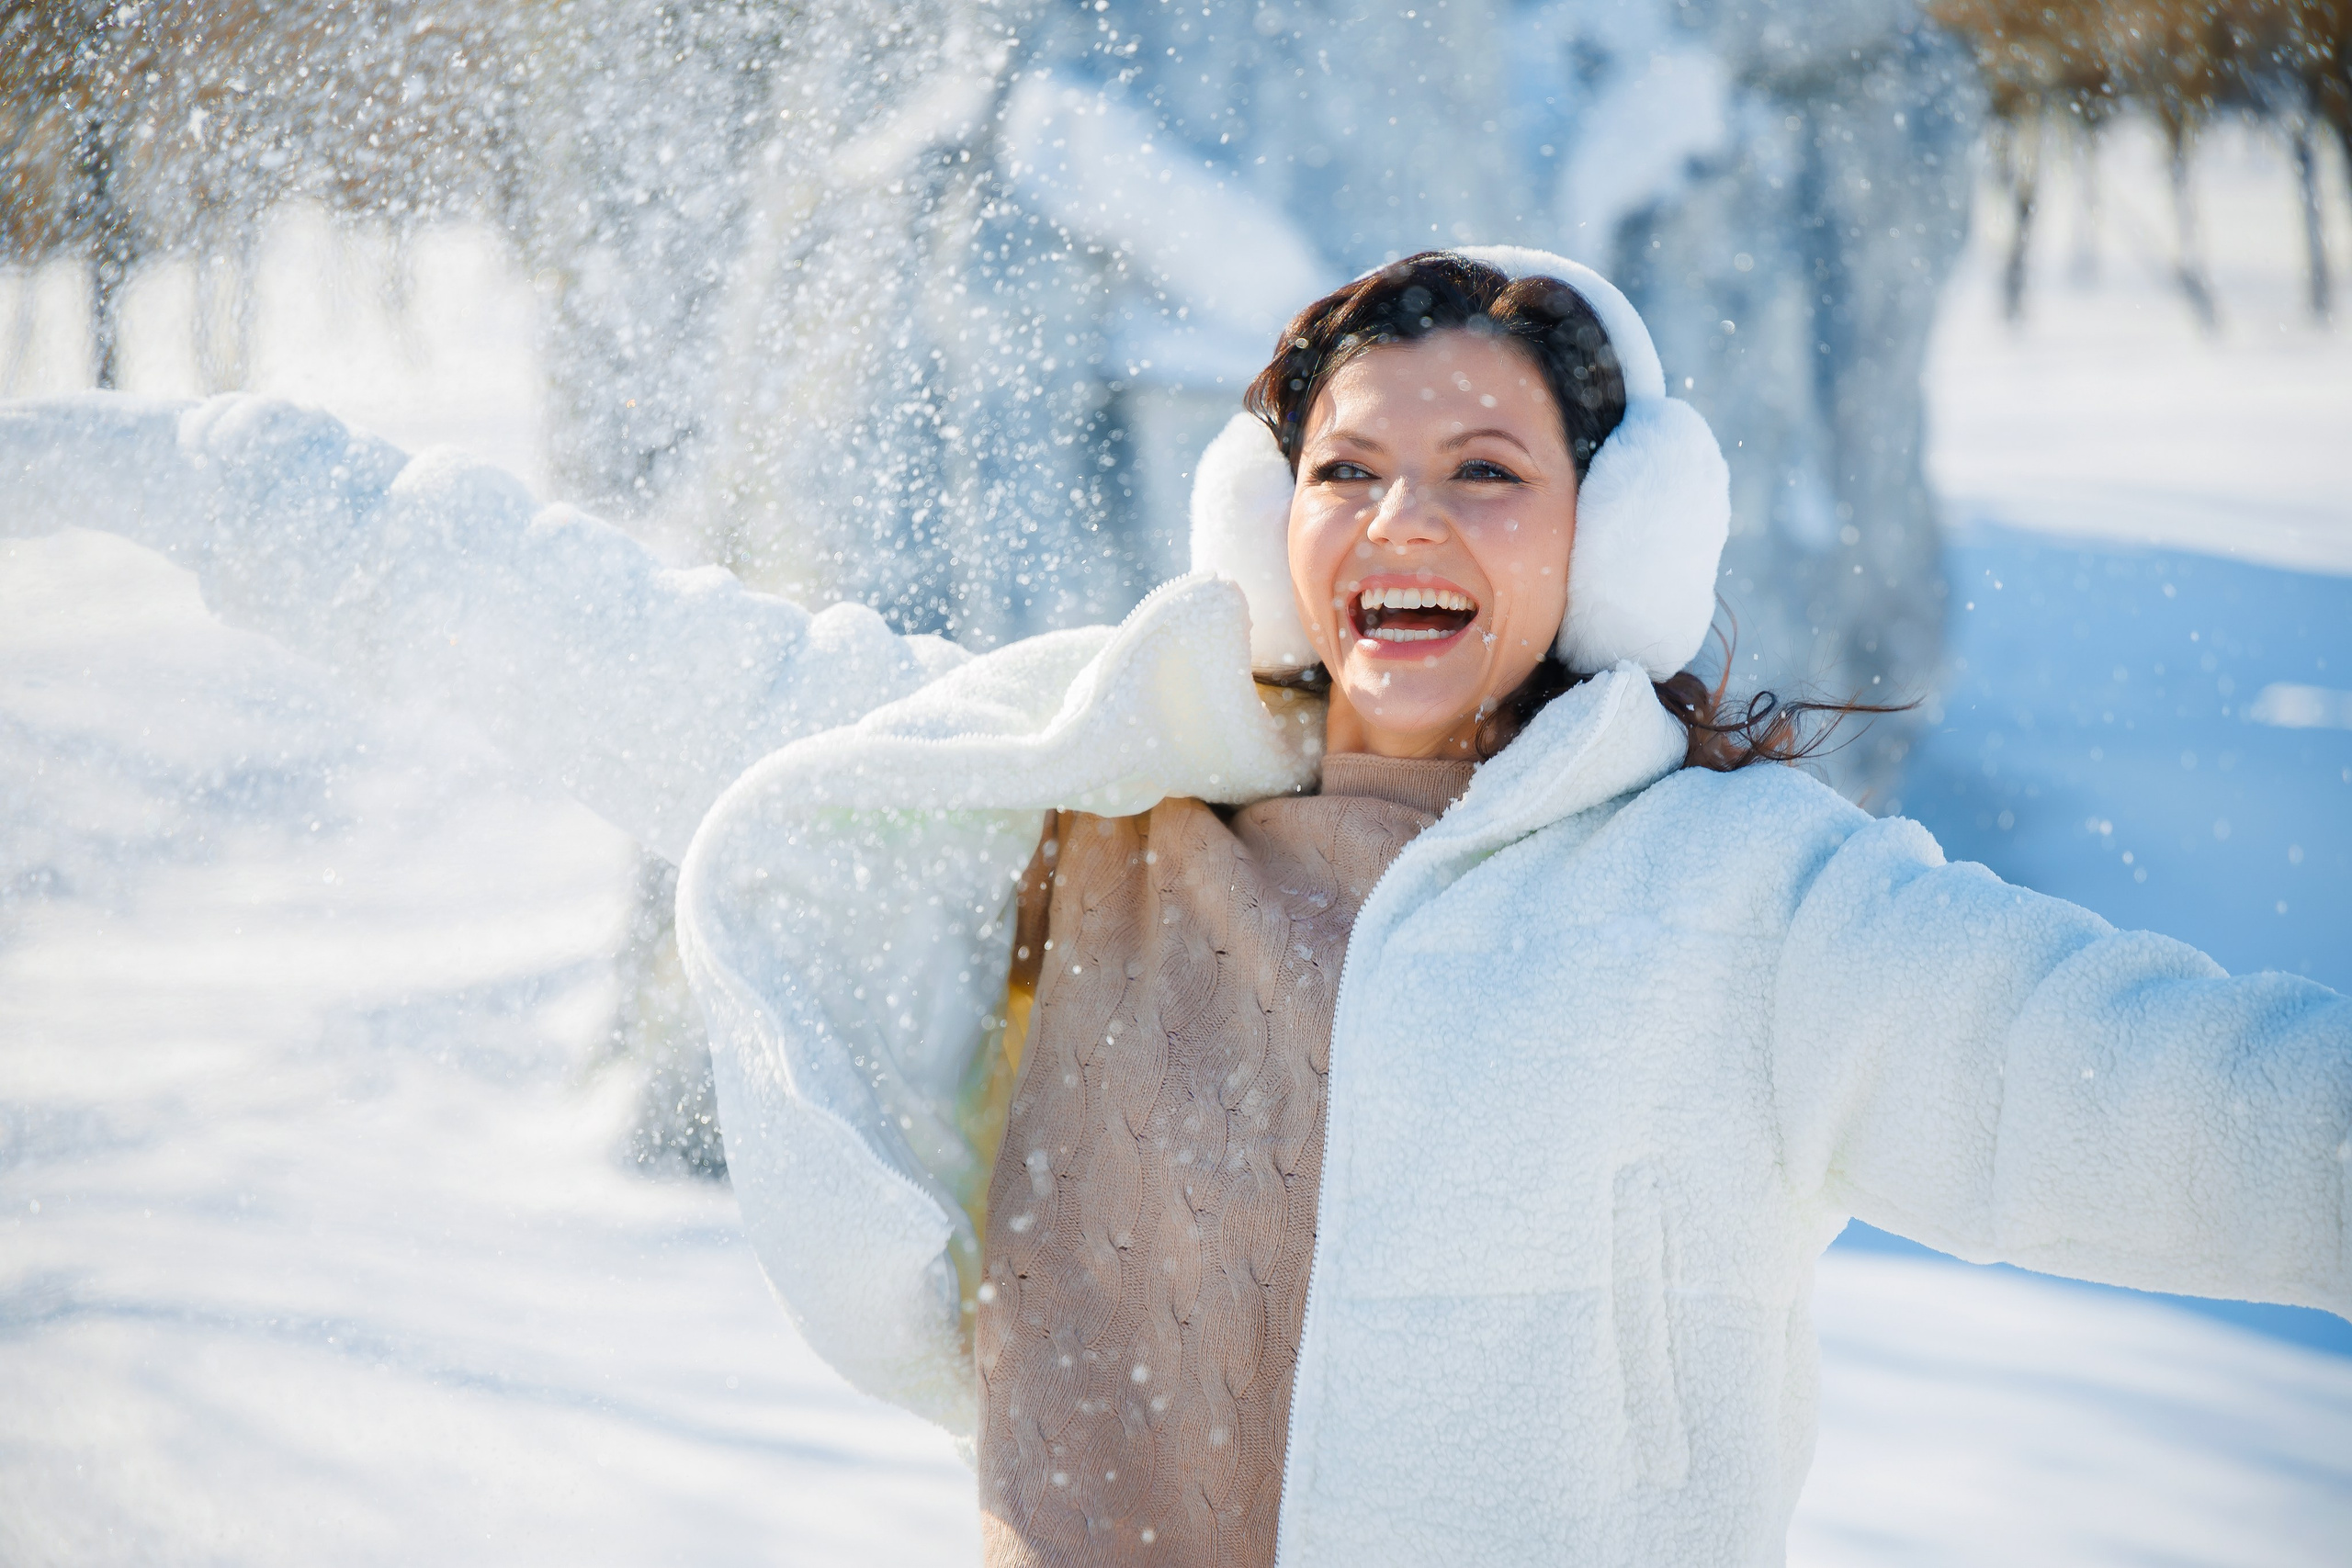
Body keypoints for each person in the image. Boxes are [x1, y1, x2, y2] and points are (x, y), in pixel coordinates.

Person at [4, 248, 2346, 1568]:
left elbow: (2167, 1095)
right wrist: (164, 463)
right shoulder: (1067, 807)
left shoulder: (1754, 912)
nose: (1400, 518)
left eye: (1481, 468)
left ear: (1612, 543)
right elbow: (573, 627)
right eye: (1344, 468)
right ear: (1268, 516)